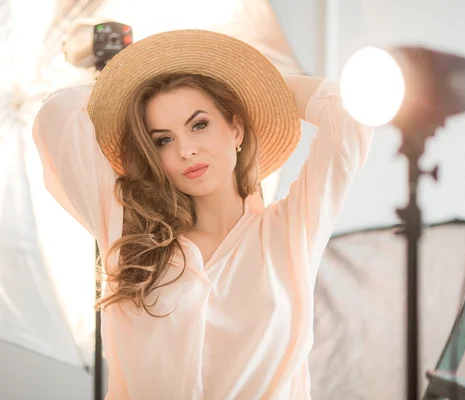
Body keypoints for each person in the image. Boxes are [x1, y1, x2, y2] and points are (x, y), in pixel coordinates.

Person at [32, 30, 373, 399]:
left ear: (236, 128)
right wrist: (122, 79)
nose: (186, 150)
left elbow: (350, 114)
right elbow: (56, 113)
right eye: (163, 139)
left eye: (199, 124)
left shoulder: (289, 231)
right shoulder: (129, 235)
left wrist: (255, 86)